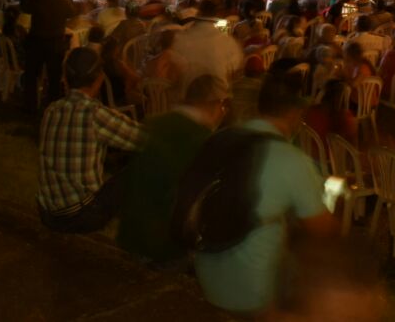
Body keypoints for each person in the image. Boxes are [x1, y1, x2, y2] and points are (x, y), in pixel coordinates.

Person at [191, 66, 338, 315]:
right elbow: (323, 229)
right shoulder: (291, 159)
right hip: (251, 291)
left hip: (206, 269)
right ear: (294, 113)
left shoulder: (220, 138)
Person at [117, 74, 229, 264]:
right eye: (223, 106)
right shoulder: (202, 140)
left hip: (130, 234)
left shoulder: (154, 122)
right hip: (164, 245)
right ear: (213, 104)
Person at [37, 47, 144, 233]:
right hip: (81, 216)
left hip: (47, 213)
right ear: (99, 79)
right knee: (143, 166)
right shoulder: (95, 114)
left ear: (66, 78)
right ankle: (142, 233)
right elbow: (145, 139)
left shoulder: (52, 110)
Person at [22, 0, 77, 114]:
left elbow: (25, 8)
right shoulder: (62, 2)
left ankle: (31, 105)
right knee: (54, 78)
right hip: (55, 44)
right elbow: (72, 13)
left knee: (32, 76)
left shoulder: (36, 0)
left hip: (37, 42)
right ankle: (53, 107)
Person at [174, 0, 242, 86]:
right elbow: (235, 68)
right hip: (219, 94)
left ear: (199, 13)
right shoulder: (228, 42)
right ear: (217, 13)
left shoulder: (182, 39)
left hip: (187, 95)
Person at [303, 78, 357, 145]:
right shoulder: (344, 118)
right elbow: (353, 144)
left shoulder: (310, 111)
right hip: (331, 155)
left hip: (306, 153)